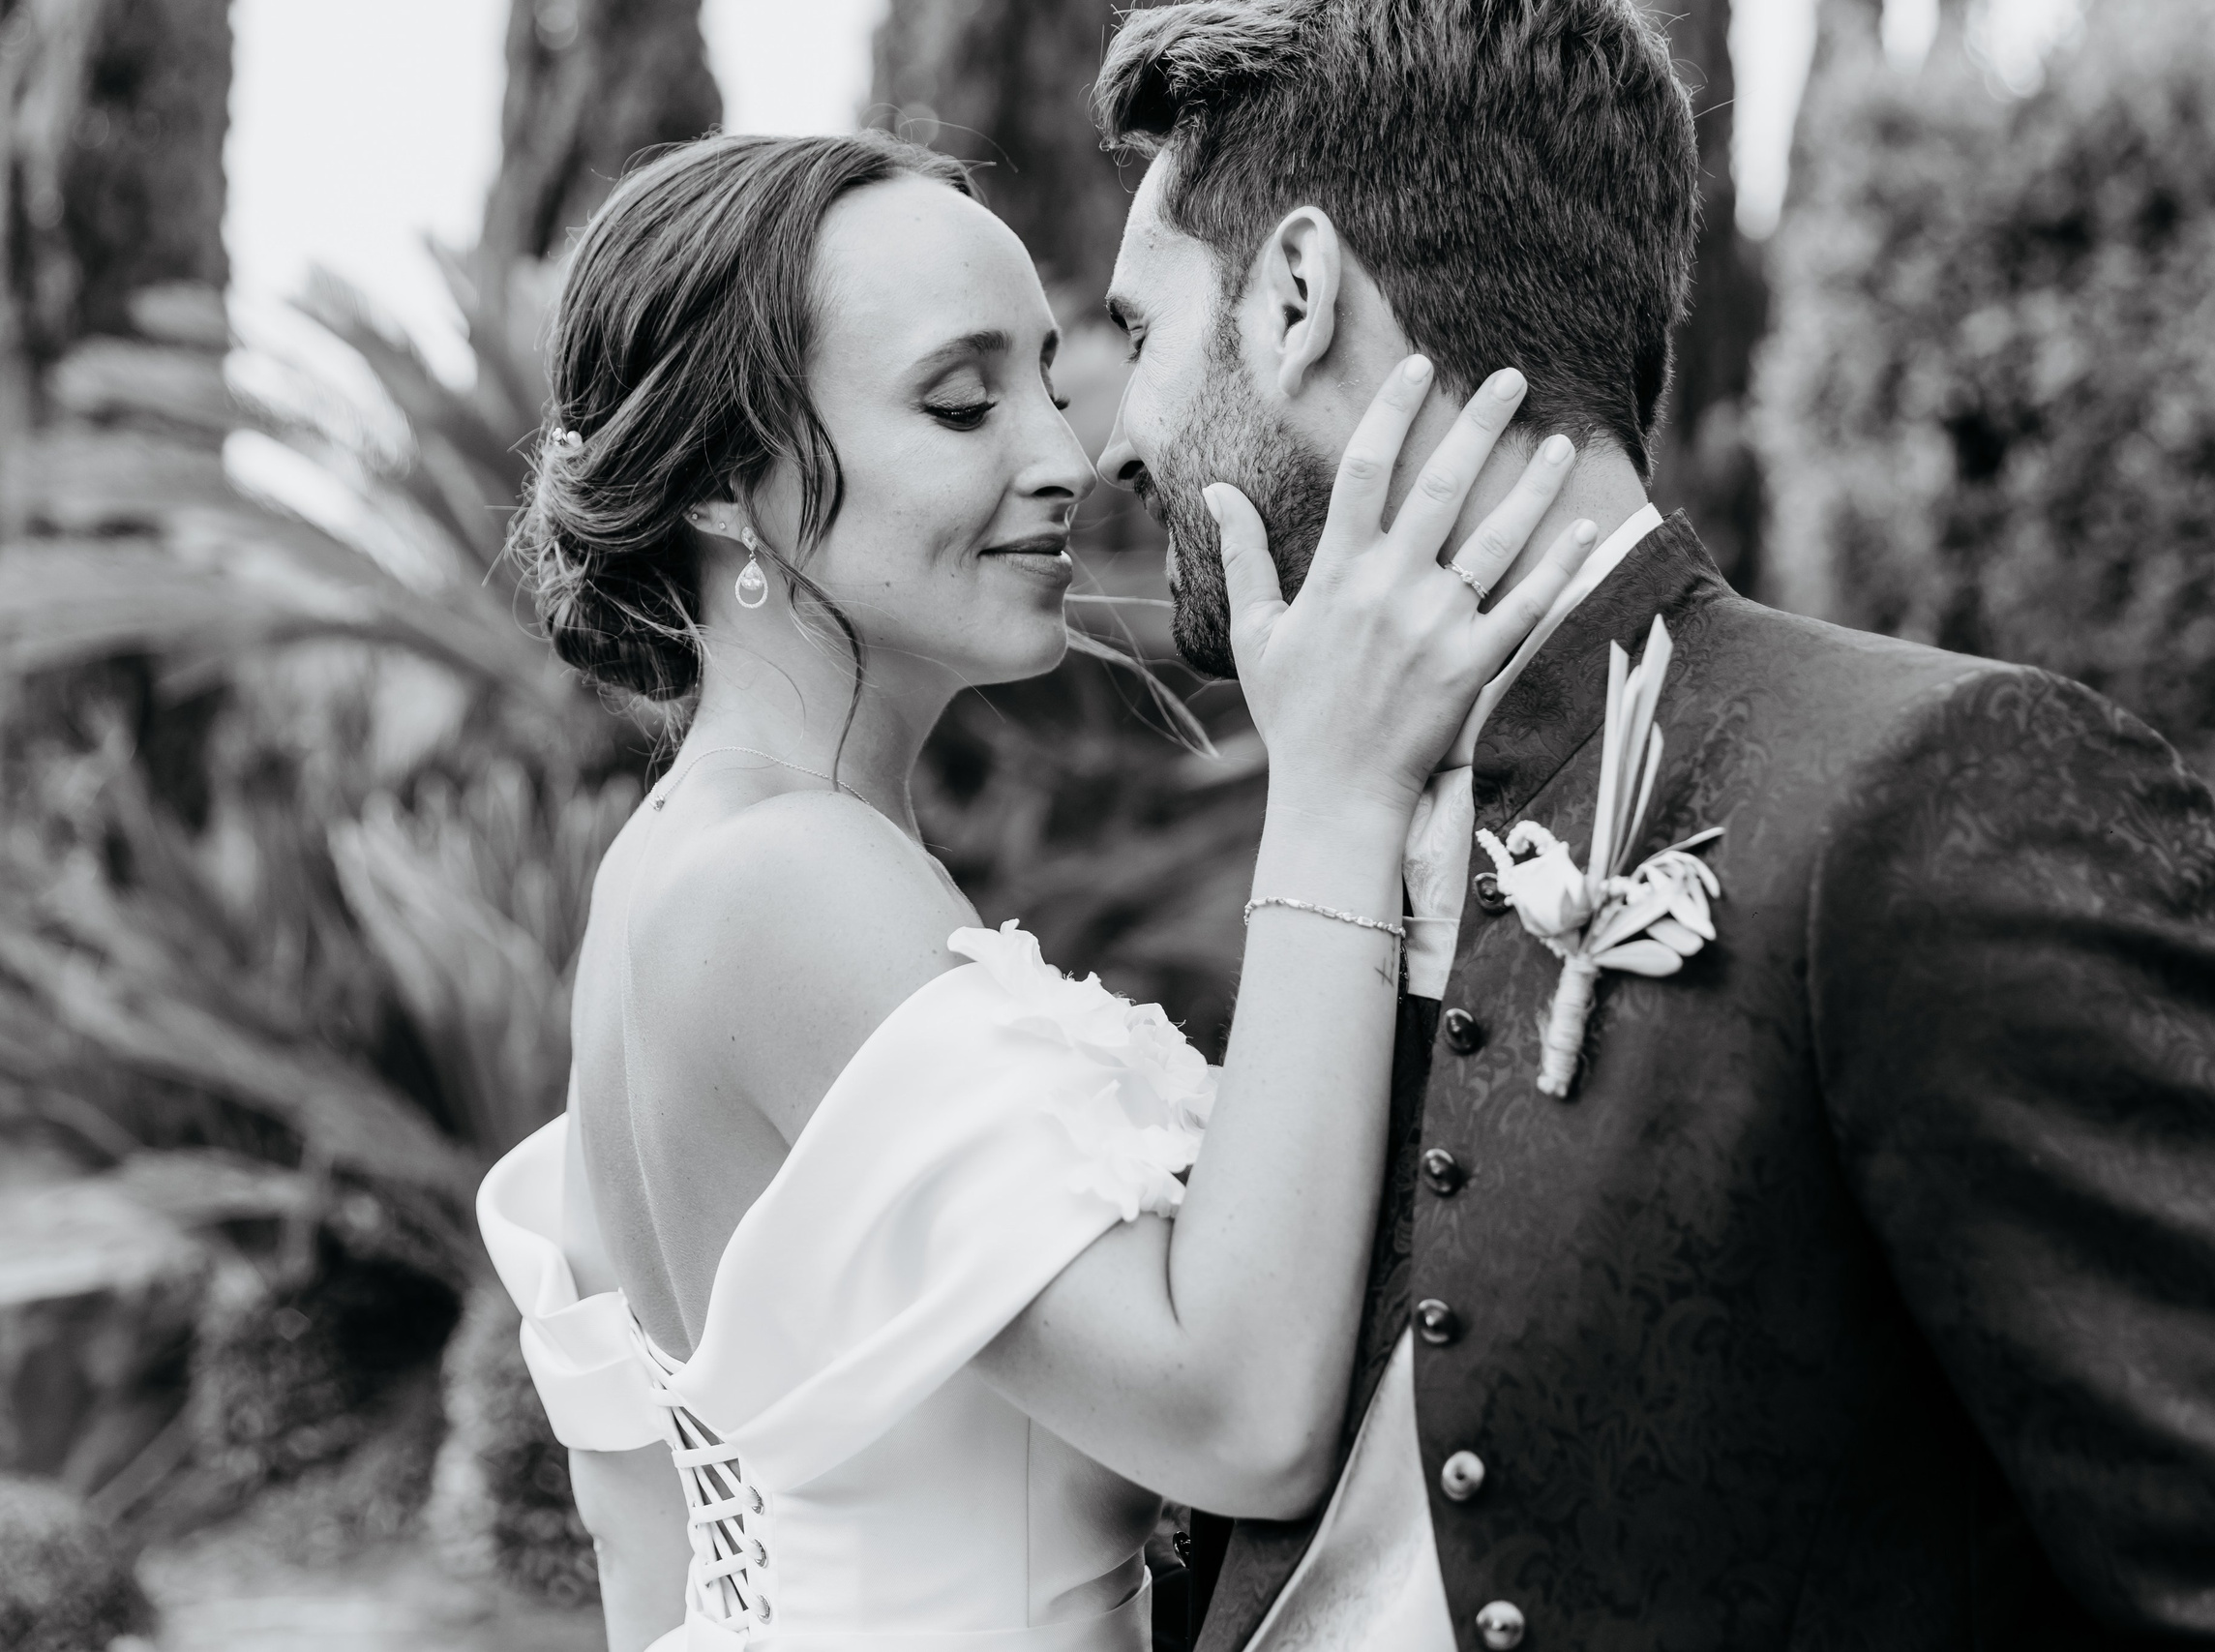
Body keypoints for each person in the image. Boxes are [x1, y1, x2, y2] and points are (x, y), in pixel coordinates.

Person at [1087, 3, 2215, 1649]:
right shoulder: (1343, 832)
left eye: (1140, 333)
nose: (1117, 437)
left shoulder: (1943, 792)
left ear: (1298, 295)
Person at [472, 129, 1600, 1652]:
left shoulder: (676, 867)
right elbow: (1239, 1411)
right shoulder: (787, 882)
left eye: (1052, 386)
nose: (1064, 460)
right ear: (727, 484)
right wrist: (1331, 800)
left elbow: (651, 1555)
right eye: (959, 402)